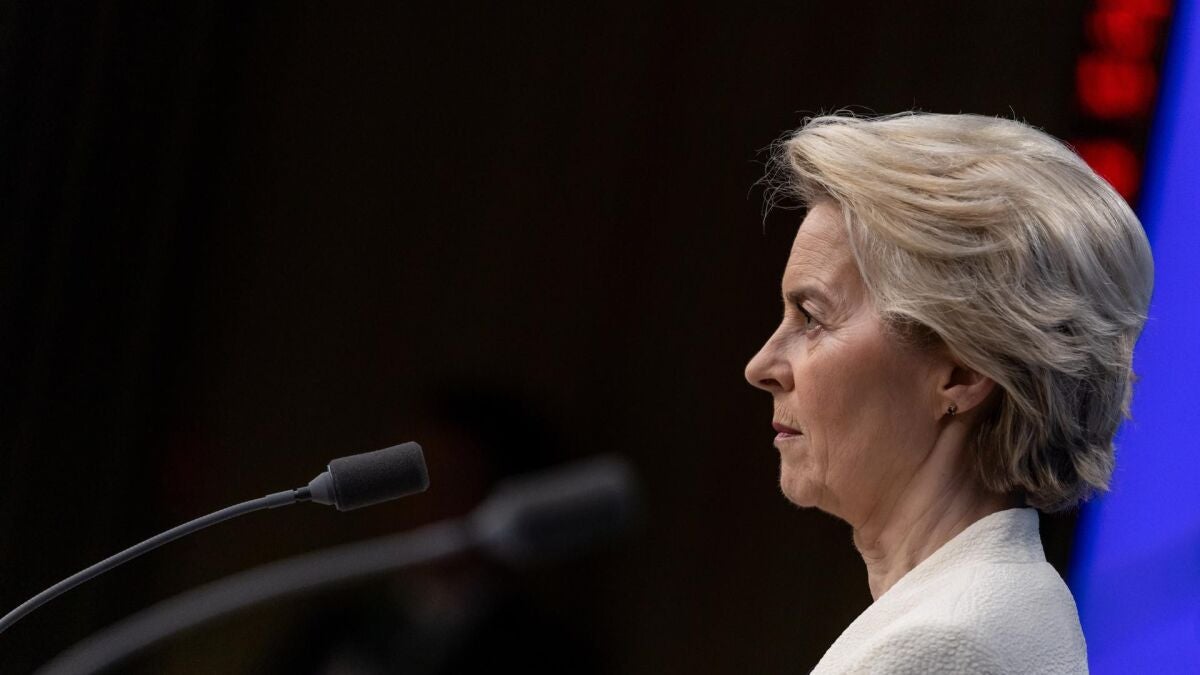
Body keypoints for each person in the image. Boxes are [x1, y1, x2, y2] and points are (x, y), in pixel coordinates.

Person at [744, 112, 1153, 673]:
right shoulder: (1000, 607)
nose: (761, 366)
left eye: (812, 318)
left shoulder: (939, 647)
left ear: (961, 372)